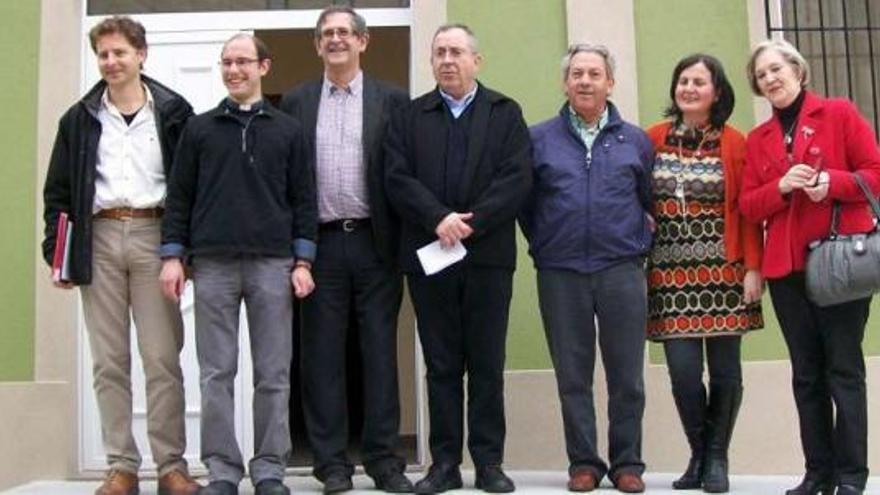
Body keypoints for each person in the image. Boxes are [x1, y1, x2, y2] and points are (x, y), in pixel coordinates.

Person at [41, 15, 199, 495]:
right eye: (103, 54)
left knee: (161, 358)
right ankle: (121, 467)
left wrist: (183, 249)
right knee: (109, 361)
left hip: (157, 237)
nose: (110, 62)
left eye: (119, 53)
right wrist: (58, 254)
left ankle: (171, 466)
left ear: (141, 55)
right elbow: (59, 194)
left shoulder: (174, 112)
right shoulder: (79, 119)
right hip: (101, 238)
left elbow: (191, 187)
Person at [159, 33, 317, 495]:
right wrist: (173, 254)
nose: (233, 70)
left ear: (264, 67)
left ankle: (269, 468)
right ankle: (223, 470)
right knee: (215, 374)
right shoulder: (200, 130)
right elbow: (180, 198)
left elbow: (304, 200)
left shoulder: (288, 131)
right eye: (227, 62)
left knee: (273, 374)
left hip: (273, 264)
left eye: (243, 62)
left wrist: (303, 261)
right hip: (213, 267)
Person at [384, 23, 532, 495]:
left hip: (487, 258)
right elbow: (397, 177)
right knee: (442, 364)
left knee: (487, 363)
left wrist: (471, 222)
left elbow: (517, 177)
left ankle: (489, 463)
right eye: (440, 53)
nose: (447, 60)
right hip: (431, 258)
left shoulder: (505, 113)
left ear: (476, 60)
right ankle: (444, 464)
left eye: (456, 52)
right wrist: (438, 217)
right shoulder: (410, 117)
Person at [279, 6, 412, 494]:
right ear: (317, 46)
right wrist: (297, 252)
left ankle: (384, 461)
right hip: (319, 246)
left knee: (379, 353)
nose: (336, 40)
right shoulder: (295, 103)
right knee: (321, 357)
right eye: (327, 34)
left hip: (377, 244)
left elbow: (404, 175)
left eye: (344, 32)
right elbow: (288, 181)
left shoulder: (393, 101)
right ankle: (331, 463)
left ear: (363, 41)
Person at [740, 39, 880, 495]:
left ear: (798, 70)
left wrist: (830, 183)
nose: (771, 79)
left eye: (776, 69)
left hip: (839, 264)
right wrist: (781, 186)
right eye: (762, 75)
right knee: (806, 375)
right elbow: (747, 206)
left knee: (843, 369)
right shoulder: (759, 139)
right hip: (788, 270)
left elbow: (874, 173)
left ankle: (852, 477)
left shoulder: (838, 113)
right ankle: (817, 473)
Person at [519, 43, 653, 494]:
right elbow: (526, 203)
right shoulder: (539, 139)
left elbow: (650, 201)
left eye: (594, 74)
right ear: (565, 82)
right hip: (561, 272)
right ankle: (584, 463)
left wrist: (637, 245)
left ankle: (627, 463)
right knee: (572, 376)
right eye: (576, 73)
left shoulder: (634, 140)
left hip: (621, 269)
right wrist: (544, 242)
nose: (584, 81)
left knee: (627, 375)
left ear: (609, 83)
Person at [645, 53, 763, 493]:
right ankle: (699, 451)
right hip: (671, 276)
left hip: (725, 272)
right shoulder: (652, 138)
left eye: (699, 82)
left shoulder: (736, 143)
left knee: (727, 372)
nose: (689, 88)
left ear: (717, 92)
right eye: (683, 81)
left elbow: (747, 211)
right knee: (682, 371)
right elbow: (634, 194)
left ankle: (716, 459)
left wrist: (753, 267)